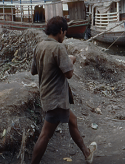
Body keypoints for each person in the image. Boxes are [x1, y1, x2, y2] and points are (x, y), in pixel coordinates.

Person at [31, 16, 96, 164]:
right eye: (64, 33)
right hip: (57, 99)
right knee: (45, 136)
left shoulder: (39, 46)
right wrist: (70, 59)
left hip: (47, 96)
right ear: (60, 30)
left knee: (72, 120)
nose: (64, 36)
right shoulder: (58, 48)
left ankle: (87, 153)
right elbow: (69, 74)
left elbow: (34, 71)